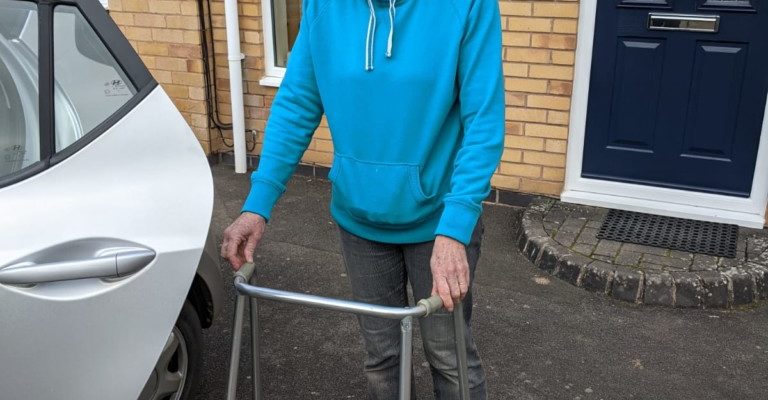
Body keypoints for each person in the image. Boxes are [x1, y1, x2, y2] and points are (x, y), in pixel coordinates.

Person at [221, 0, 504, 398]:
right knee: (381, 358)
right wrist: (257, 204)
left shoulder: (467, 6)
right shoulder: (323, 7)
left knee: (449, 356)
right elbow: (298, 102)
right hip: (360, 221)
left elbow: (484, 121)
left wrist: (455, 230)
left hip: (439, 223)